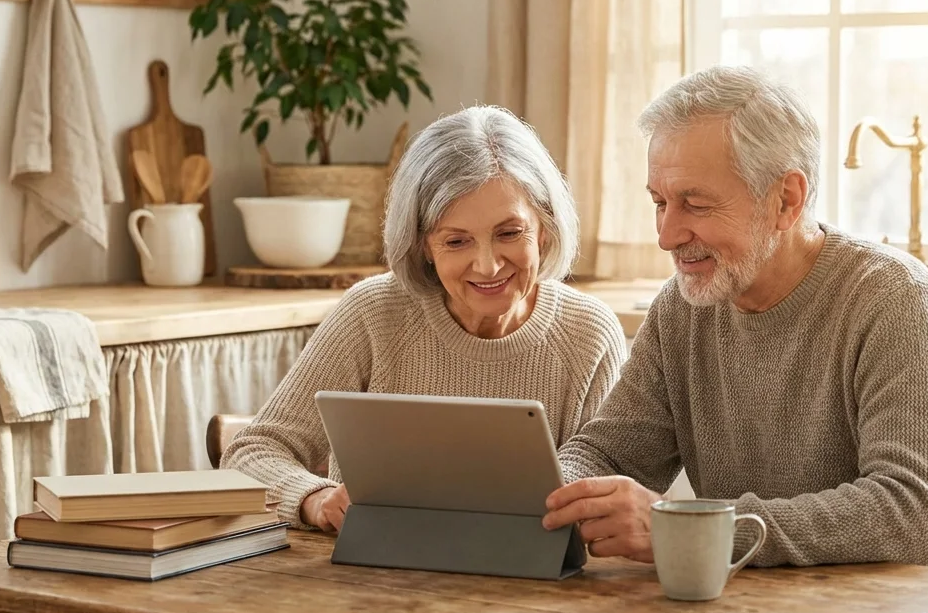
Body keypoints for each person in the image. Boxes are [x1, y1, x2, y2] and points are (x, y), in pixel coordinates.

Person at [539, 65, 928, 613]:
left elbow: (907, 514)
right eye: (659, 202)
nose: (666, 233)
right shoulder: (683, 310)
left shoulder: (894, 302)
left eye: (695, 204)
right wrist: (561, 484)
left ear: (786, 198)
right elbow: (607, 451)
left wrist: (687, 532)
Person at [224, 105, 628, 534]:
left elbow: (603, 491)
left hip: (533, 589)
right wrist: (314, 499)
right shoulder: (372, 313)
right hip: (367, 581)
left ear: (543, 229)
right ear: (423, 248)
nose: (488, 266)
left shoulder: (589, 333)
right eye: (457, 241)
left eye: (510, 233)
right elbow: (251, 453)